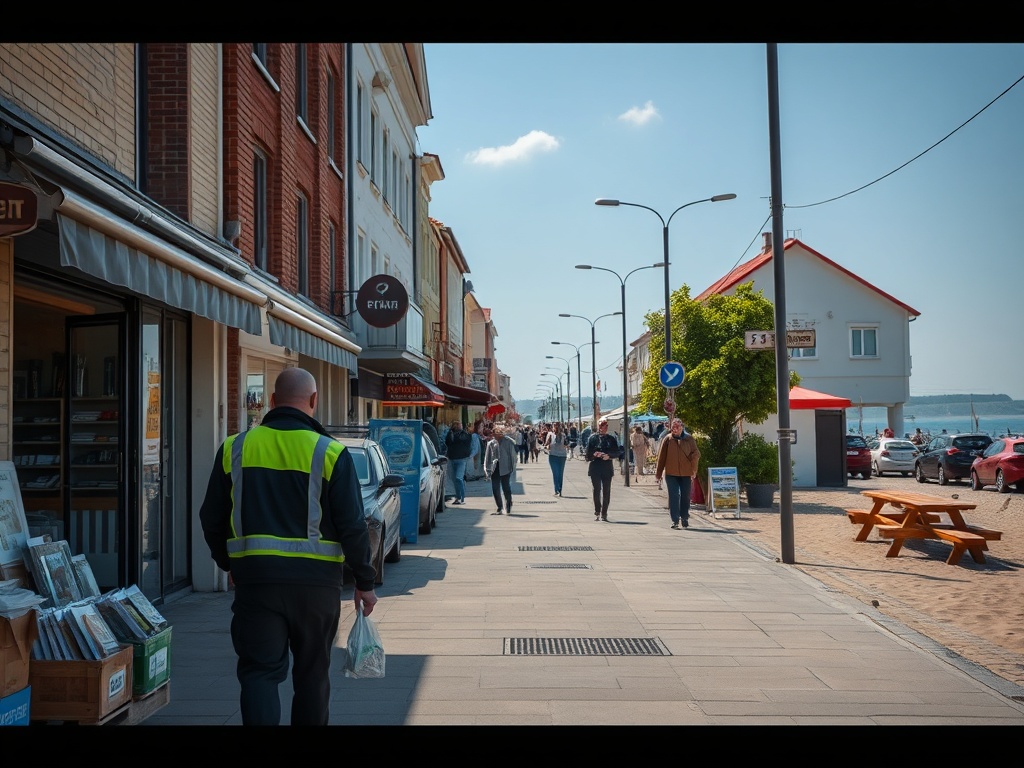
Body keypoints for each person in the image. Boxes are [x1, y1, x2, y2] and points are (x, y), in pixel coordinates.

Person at [199, 367, 376, 726]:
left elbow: (211, 518)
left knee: (259, 674)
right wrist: (364, 582)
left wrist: (229, 564)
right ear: (314, 401)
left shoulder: (235, 447)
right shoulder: (330, 452)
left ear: (272, 402)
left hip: (257, 584)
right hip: (316, 588)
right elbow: (353, 526)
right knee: (312, 676)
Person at [655, 418, 701, 529]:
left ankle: (684, 517)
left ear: (682, 428)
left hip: (686, 473)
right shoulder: (667, 439)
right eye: (673, 428)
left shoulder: (689, 439)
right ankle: (675, 520)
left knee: (685, 496)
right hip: (671, 473)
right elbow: (661, 458)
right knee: (674, 496)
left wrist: (694, 470)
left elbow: (696, 453)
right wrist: (658, 474)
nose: (675, 430)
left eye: (677, 428)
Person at [585, 417, 623, 522]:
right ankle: (597, 510)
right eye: (602, 426)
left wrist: (609, 456)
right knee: (596, 489)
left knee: (606, 490)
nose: (604, 428)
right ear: (598, 427)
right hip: (595, 467)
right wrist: (594, 455)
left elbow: (618, 451)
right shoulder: (593, 438)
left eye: (606, 426)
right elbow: (587, 454)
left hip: (607, 467)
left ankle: (604, 512)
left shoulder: (611, 439)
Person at [484, 425, 518, 515]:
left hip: (506, 467)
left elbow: (512, 456)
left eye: (497, 433)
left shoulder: (508, 442)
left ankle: (508, 503)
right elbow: (487, 458)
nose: (495, 435)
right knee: (495, 488)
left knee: (506, 487)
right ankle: (499, 507)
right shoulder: (490, 443)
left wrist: (512, 468)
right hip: (494, 468)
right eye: (494, 433)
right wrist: (487, 470)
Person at [444, 420, 473, 505]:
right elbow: (447, 443)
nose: (459, 426)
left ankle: (461, 498)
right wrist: (451, 433)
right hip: (452, 459)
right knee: (455, 479)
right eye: (457, 425)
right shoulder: (450, 434)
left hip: (461, 459)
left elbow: (466, 441)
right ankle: (458, 497)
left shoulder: (464, 434)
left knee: (458, 478)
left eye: (459, 424)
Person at [545, 421, 569, 496]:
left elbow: (566, 444)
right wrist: (547, 446)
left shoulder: (563, 435)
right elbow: (546, 444)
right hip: (553, 456)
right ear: (553, 427)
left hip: (562, 456)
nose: (556, 427)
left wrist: (566, 445)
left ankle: (560, 490)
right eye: (555, 426)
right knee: (555, 473)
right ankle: (557, 490)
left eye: (558, 426)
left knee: (560, 473)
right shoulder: (550, 434)